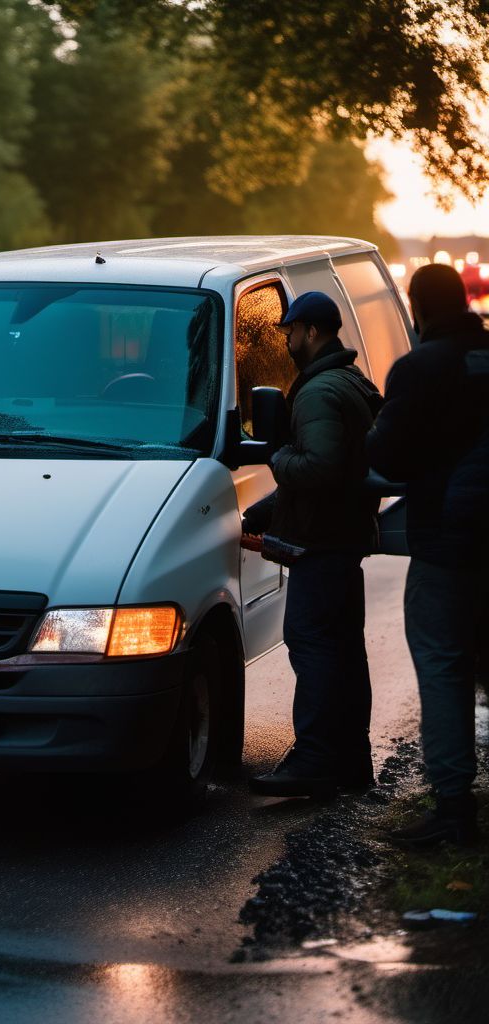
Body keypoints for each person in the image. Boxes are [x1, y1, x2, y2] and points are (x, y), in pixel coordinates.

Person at [366, 263, 489, 846]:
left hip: (448, 543)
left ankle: (454, 814)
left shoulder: (419, 370)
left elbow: (387, 459)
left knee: (444, 668)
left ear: (417, 308)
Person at [246, 291, 383, 798]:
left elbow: (320, 468)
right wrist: (263, 514)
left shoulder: (319, 392)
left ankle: (318, 760)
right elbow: (339, 469)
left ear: (310, 331)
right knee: (344, 650)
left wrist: (276, 454)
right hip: (343, 538)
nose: (285, 341)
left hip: (324, 544)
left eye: (289, 332)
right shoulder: (348, 382)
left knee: (313, 643)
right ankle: (350, 761)